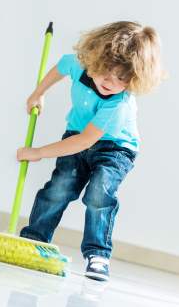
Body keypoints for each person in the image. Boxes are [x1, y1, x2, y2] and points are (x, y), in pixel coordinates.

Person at [16, 21, 167, 281]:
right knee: (58, 188)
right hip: (77, 135)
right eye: (107, 71)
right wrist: (39, 92)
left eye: (122, 77)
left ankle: (98, 255)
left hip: (115, 148)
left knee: (99, 193)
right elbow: (61, 67)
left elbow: (85, 141)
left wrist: (39, 151)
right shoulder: (79, 64)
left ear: (134, 78)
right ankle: (33, 242)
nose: (111, 81)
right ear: (96, 59)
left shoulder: (119, 106)